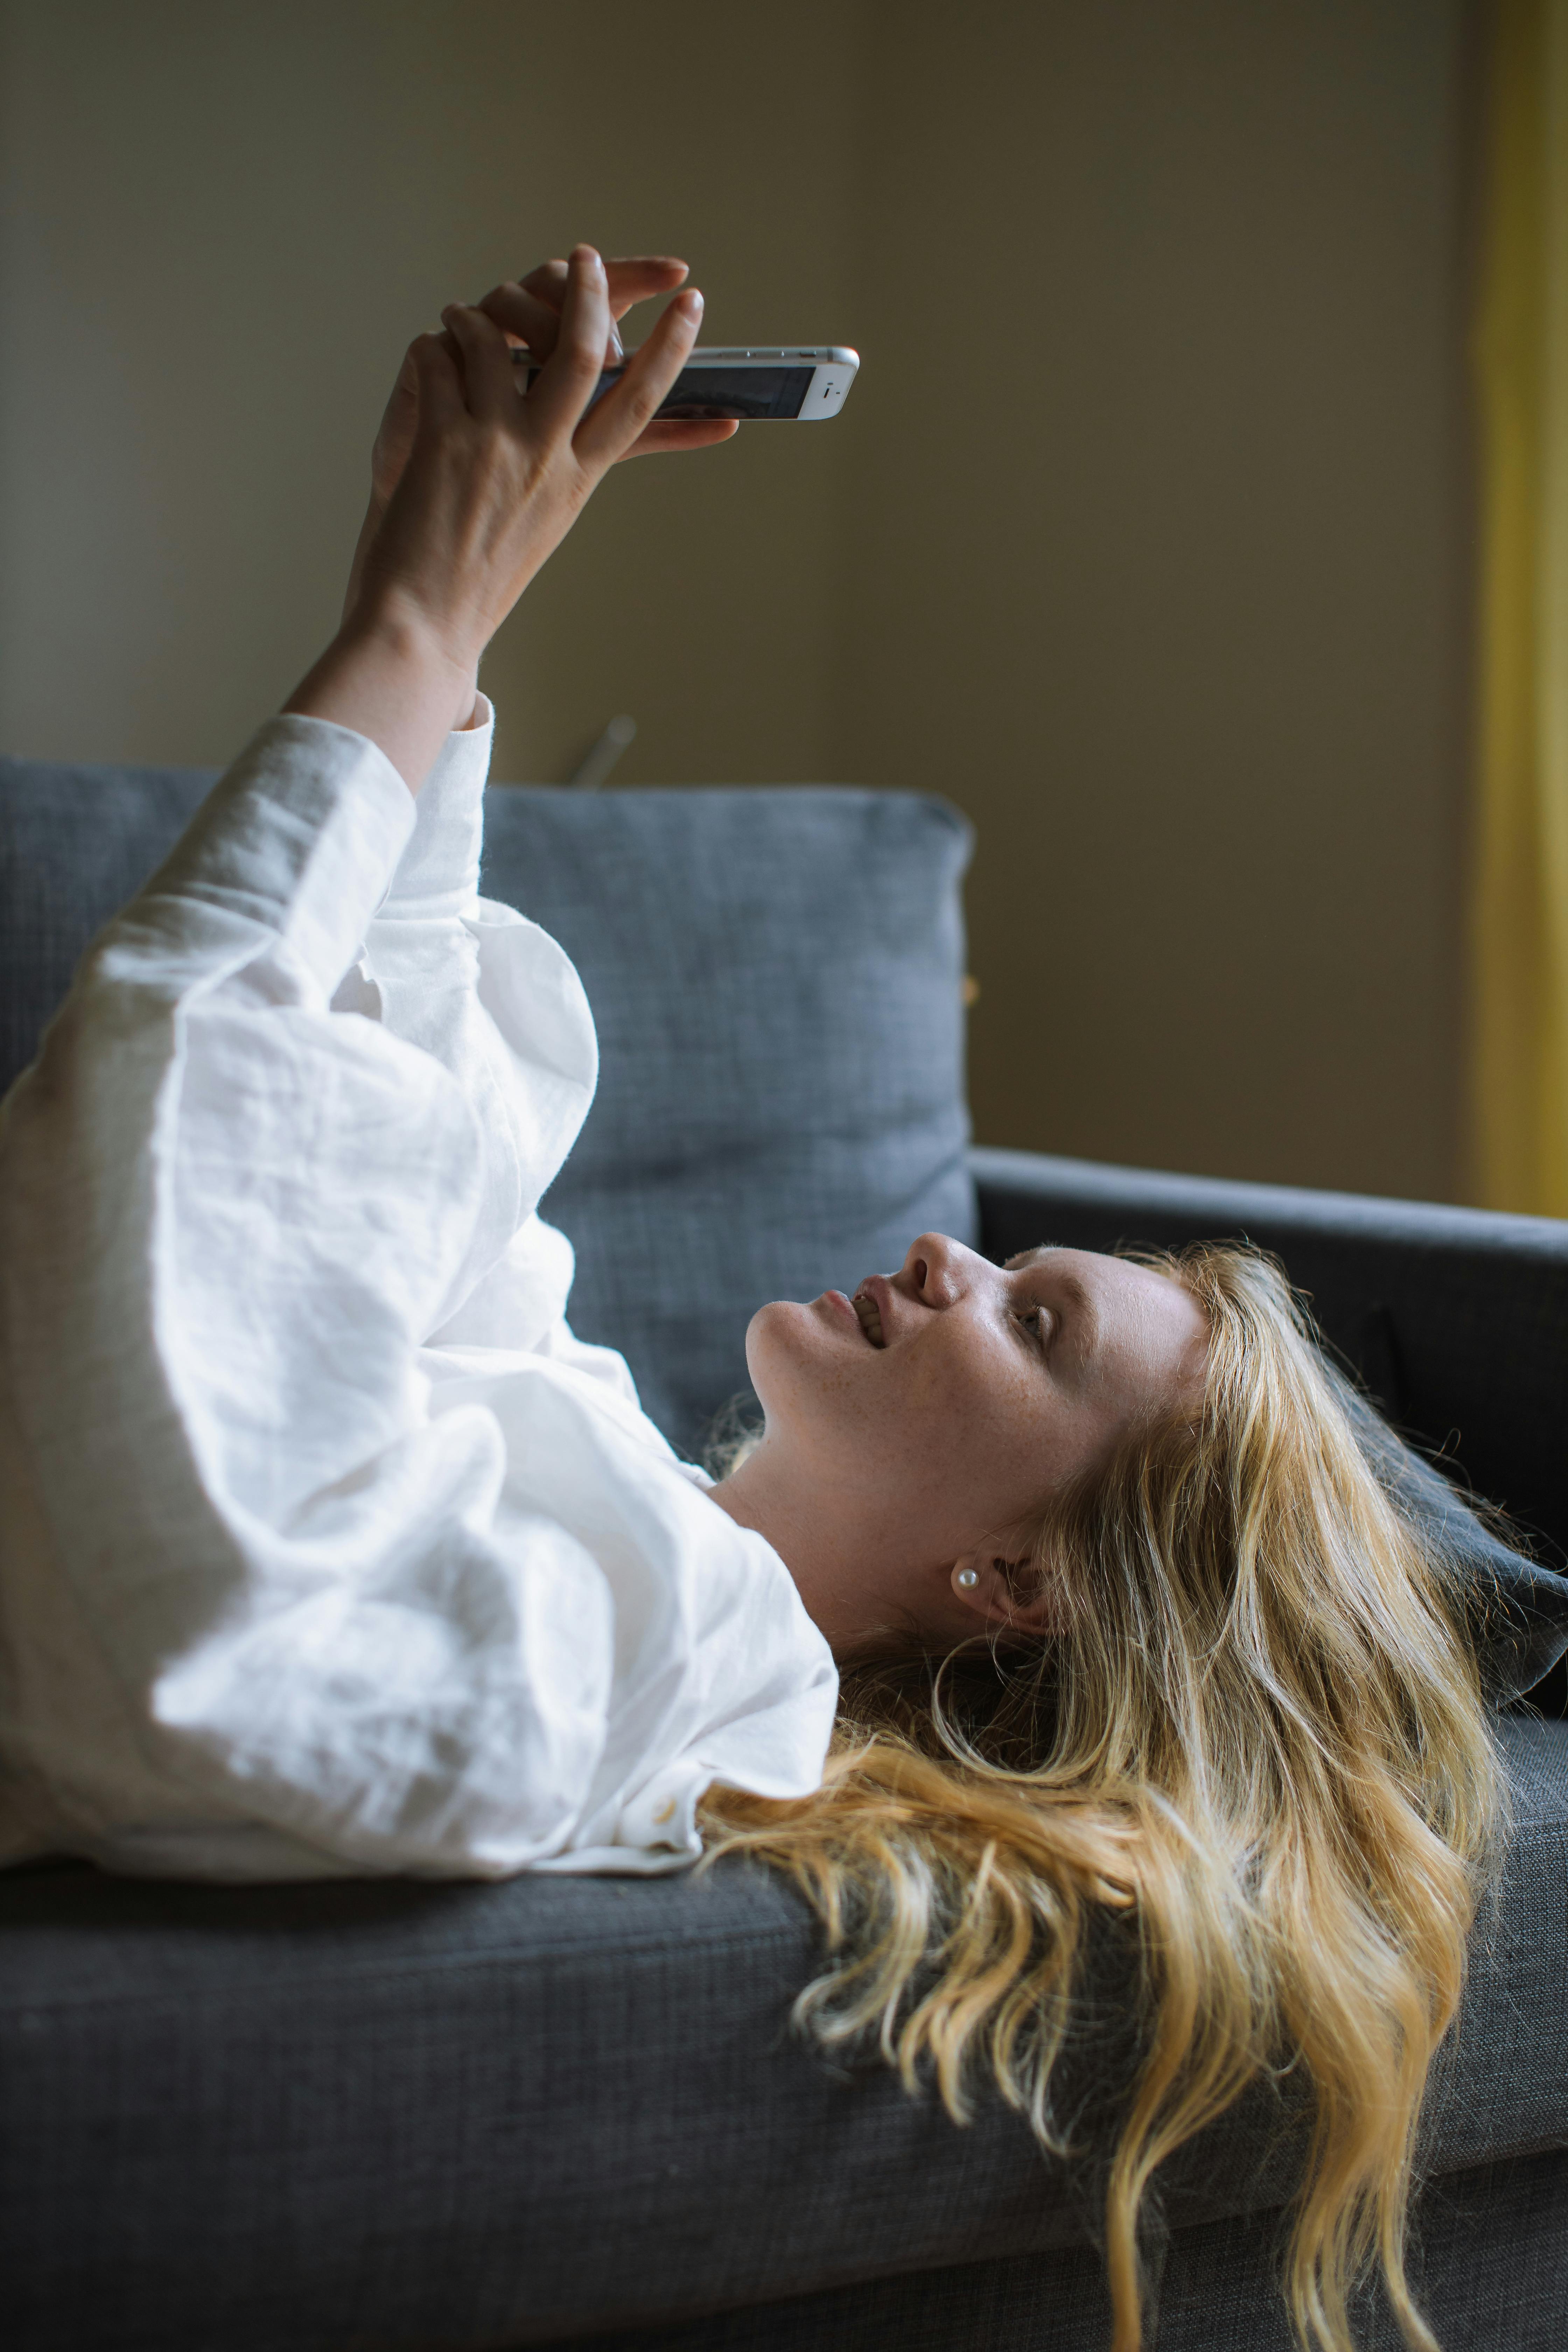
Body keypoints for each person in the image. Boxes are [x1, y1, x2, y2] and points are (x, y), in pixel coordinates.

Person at [0, 249, 1501, 2352]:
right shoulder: (625, 1496)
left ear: (1015, 1580)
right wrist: (442, 609)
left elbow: (202, 1485)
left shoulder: (662, 1668)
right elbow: (406, 1196)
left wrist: (411, 631)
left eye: (1031, 1323)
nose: (943, 1254)